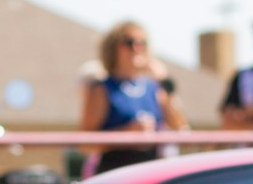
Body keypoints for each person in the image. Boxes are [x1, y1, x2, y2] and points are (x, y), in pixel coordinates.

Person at [79, 21, 188, 173]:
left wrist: (164, 80)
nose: (137, 48)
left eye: (142, 43)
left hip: (150, 171)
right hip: (117, 172)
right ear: (113, 48)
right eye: (129, 43)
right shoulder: (102, 88)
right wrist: (127, 133)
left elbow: (181, 127)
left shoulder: (154, 87)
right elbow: (86, 144)